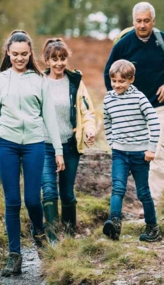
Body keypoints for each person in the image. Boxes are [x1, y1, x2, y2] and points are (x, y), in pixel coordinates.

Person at [0, 30, 65, 277]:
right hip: (6, 144)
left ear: (30, 53)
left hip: (34, 144)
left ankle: (38, 231)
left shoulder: (39, 80)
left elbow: (49, 118)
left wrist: (59, 151)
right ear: (8, 53)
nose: (19, 58)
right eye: (15, 54)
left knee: (32, 199)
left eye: (24, 54)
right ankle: (14, 255)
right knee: (12, 202)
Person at [104, 2, 164, 204]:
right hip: (132, 110)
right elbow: (108, 74)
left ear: (153, 21)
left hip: (158, 106)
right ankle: (140, 200)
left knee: (157, 152)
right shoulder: (123, 44)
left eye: (146, 21)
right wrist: (118, 102)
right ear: (133, 21)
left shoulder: (163, 40)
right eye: (138, 21)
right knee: (136, 155)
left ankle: (156, 205)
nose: (142, 25)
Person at [40, 38, 96, 241]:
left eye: (62, 58)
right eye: (54, 59)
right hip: (44, 146)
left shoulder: (75, 82)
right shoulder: (39, 82)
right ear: (46, 60)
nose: (59, 63)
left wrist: (89, 130)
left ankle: (70, 236)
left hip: (69, 145)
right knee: (48, 191)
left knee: (67, 193)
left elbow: (87, 111)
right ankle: (54, 240)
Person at [103, 59, 161, 242]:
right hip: (119, 152)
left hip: (140, 153)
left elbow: (154, 121)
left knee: (143, 192)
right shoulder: (108, 99)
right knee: (117, 188)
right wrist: (112, 142)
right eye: (114, 81)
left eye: (121, 81)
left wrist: (151, 148)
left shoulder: (139, 98)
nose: (117, 85)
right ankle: (114, 223)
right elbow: (107, 122)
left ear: (131, 80)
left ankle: (152, 227)